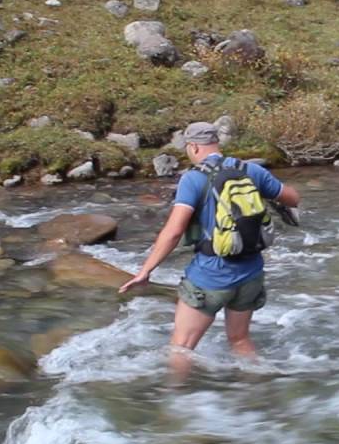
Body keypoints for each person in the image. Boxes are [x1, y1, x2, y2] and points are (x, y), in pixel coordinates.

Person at [119, 121, 301, 378]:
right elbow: (292, 198)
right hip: (251, 273)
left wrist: (145, 271)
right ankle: (259, 392)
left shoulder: (193, 178)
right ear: (216, 142)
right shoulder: (251, 170)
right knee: (239, 340)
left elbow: (173, 232)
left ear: (193, 147)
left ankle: (175, 402)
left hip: (210, 276)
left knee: (181, 348)